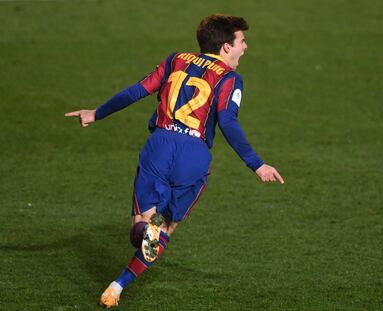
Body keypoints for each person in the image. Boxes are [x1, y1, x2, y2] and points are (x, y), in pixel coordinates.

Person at [65, 14, 284, 308]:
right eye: (241, 42)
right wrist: (257, 164)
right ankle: (118, 285)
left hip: (160, 145)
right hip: (193, 155)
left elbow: (137, 90)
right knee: (164, 229)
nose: (245, 47)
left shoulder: (175, 60)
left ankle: (132, 257)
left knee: (141, 230)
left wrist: (96, 113)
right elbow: (228, 123)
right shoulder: (230, 79)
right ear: (225, 48)